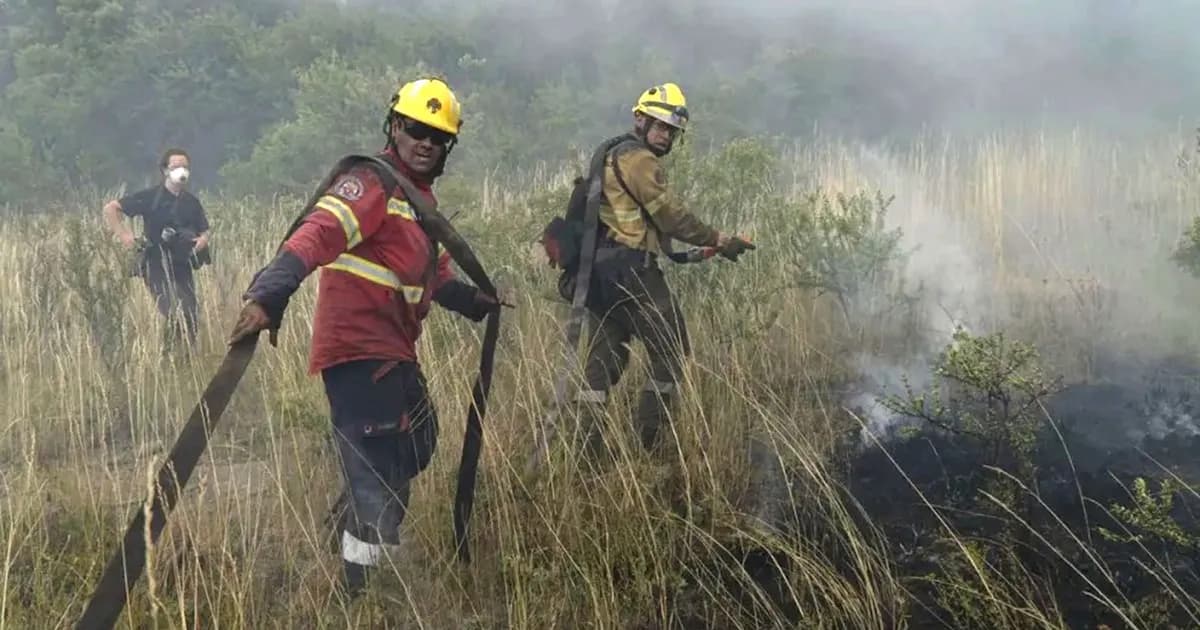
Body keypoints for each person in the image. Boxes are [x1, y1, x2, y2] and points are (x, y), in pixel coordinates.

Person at [226, 77, 506, 598]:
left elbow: (434, 275)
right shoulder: (370, 182)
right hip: (358, 351)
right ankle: (360, 594)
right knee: (379, 476)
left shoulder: (416, 201)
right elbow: (317, 232)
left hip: (393, 350)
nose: (426, 142)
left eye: (438, 136)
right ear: (395, 126)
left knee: (417, 442)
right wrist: (270, 293)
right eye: (417, 129)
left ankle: (352, 525)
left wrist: (474, 301)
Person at [573, 82, 755, 458]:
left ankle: (584, 455)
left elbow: (644, 224)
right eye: (658, 124)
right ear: (639, 118)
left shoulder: (609, 153)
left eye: (671, 130)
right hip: (631, 272)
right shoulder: (639, 159)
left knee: (602, 363)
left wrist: (696, 252)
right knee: (671, 350)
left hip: (599, 276)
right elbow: (671, 217)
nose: (665, 134)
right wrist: (719, 238)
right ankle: (651, 447)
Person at [103, 148, 211, 348]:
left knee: (191, 315)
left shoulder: (191, 202)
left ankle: (184, 362)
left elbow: (204, 229)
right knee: (173, 311)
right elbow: (111, 208)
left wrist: (202, 241)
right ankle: (169, 358)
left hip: (182, 264)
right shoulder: (151, 197)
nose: (182, 171)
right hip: (155, 263)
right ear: (165, 171)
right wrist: (125, 236)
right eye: (176, 166)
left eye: (185, 167)